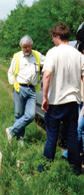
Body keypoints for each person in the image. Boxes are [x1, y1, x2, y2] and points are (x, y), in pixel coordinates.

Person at [41, 22, 84, 174]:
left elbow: (46, 75)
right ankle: (76, 168)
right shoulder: (78, 55)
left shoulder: (53, 53)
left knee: (52, 135)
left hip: (55, 101)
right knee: (72, 136)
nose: (52, 40)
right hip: (72, 102)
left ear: (58, 36)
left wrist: (45, 97)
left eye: (53, 37)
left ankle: (46, 166)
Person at [6, 35, 45, 145]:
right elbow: (10, 72)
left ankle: (11, 130)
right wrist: (14, 83)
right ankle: (19, 140)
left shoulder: (37, 55)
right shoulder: (17, 57)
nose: (25, 50)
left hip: (32, 89)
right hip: (20, 88)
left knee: (31, 115)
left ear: (31, 46)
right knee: (18, 114)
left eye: (27, 47)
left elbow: (48, 63)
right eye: (23, 47)